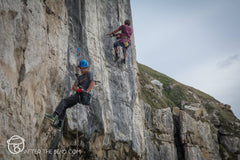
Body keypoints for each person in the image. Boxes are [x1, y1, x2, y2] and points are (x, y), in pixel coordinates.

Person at [45, 60, 95, 131]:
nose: (83, 70)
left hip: (82, 96)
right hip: (79, 95)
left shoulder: (89, 73)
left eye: (84, 68)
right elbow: (73, 87)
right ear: (80, 68)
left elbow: (92, 83)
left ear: (87, 68)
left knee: (64, 101)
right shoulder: (79, 78)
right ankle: (59, 124)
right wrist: (78, 89)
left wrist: (86, 91)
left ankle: (53, 115)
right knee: (65, 106)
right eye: (82, 68)